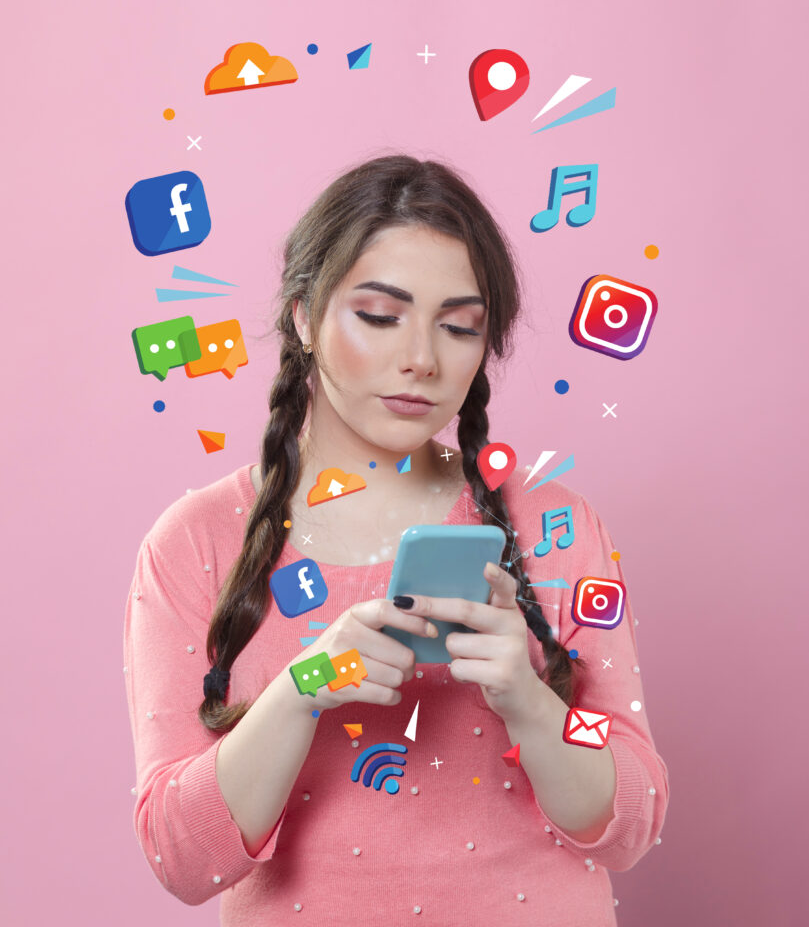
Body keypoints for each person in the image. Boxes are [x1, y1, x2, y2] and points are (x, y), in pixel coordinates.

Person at [123, 153, 668, 926]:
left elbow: (631, 816)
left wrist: (529, 701)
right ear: (305, 317)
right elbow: (180, 858)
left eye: (458, 326)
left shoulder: (556, 527)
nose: (421, 357)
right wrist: (303, 689)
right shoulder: (196, 544)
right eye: (379, 316)